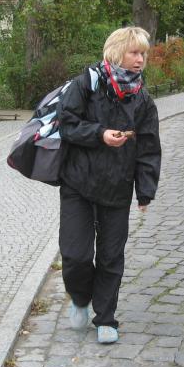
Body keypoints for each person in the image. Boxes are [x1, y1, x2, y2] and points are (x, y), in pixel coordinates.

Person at [56, 26, 161, 344]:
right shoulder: (86, 84)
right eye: (134, 52)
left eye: (143, 54)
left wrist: (145, 190)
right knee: (75, 255)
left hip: (117, 185)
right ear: (116, 52)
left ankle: (106, 318)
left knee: (111, 256)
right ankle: (80, 298)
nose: (140, 59)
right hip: (78, 183)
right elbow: (67, 124)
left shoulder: (142, 99)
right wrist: (99, 134)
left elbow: (149, 147)